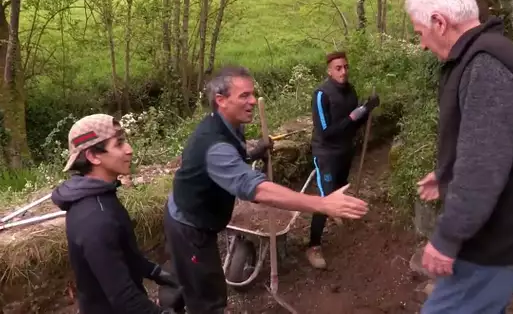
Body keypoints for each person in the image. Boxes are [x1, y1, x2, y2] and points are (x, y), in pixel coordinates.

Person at [404, 0, 513, 313]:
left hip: (499, 236)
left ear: (439, 22)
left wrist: (446, 239)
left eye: (420, 34)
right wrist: (445, 173)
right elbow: (484, 142)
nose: (423, 45)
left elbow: (483, 166)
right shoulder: (483, 55)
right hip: (504, 228)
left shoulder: (486, 65)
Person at [163, 65, 369, 313]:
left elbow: (232, 160)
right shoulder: (214, 145)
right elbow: (257, 190)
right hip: (190, 228)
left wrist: (253, 154)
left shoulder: (228, 124)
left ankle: (169, 304)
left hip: (192, 213)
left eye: (252, 94)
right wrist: (322, 204)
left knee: (186, 278)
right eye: (244, 96)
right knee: (209, 299)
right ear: (221, 100)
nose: (252, 101)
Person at [51, 114, 183, 314]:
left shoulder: (100, 196)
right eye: (119, 144)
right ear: (93, 156)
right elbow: (123, 298)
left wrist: (156, 273)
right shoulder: (95, 218)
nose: (129, 149)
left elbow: (123, 254)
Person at [307, 51, 380, 269]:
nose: (343, 71)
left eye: (346, 67)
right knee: (324, 197)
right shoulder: (321, 94)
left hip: (345, 151)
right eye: (338, 68)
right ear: (329, 71)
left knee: (340, 187)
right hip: (326, 153)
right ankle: (313, 246)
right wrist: (357, 114)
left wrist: (367, 109)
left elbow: (354, 124)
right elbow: (326, 131)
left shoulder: (350, 91)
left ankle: (338, 213)